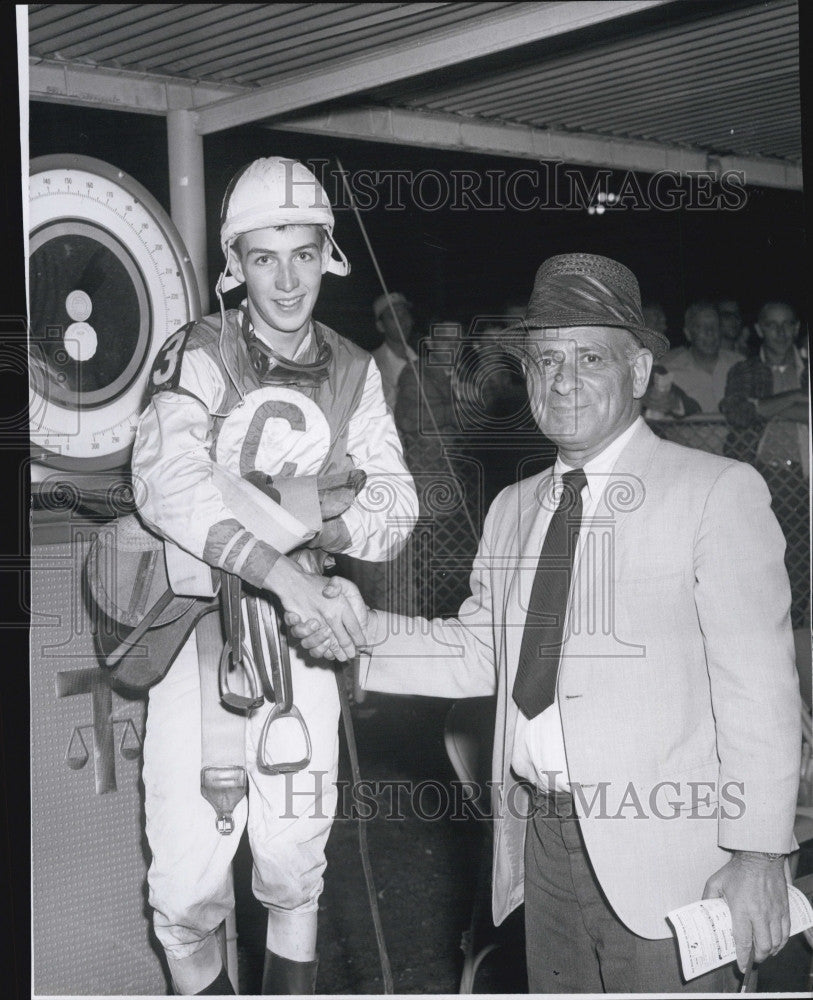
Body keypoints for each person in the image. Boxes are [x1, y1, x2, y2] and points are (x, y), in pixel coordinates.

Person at [289, 253, 801, 993]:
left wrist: (757, 854)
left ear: (636, 373)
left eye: (588, 358)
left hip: (672, 865)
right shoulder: (513, 508)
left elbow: (761, 688)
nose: (560, 380)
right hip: (539, 848)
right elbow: (481, 652)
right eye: (543, 359)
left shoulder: (715, 492)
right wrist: (359, 628)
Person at [130, 157, 417, 996]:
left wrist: (305, 525)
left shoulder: (356, 370)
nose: (285, 279)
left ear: (327, 253)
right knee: (184, 889)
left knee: (294, 864)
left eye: (301, 253)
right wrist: (289, 565)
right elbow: (165, 483)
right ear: (236, 264)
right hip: (199, 634)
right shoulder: (199, 350)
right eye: (264, 256)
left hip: (302, 644)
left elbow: (392, 507)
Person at [660, 301, 742, 413]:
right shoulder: (669, 371)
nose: (710, 332)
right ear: (688, 334)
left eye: (714, 326)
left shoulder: (740, 364)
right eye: (701, 327)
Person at [371, 291, 418, 410]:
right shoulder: (373, 365)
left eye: (404, 314)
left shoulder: (423, 356)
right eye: (393, 317)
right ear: (381, 326)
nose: (401, 321)